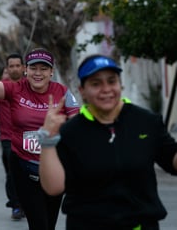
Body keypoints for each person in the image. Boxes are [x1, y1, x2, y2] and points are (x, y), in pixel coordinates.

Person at [38, 54, 177, 230]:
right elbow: (53, 188)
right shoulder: (70, 132)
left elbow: (172, 159)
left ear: (120, 84)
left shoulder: (146, 122)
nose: (106, 89)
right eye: (96, 84)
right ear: (82, 91)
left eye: (112, 81)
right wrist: (48, 140)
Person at [0, 30, 80, 230]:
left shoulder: (62, 92)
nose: (38, 73)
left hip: (53, 166)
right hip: (23, 166)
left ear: (51, 72)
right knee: (38, 224)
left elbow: (78, 124)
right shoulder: (15, 89)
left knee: (49, 223)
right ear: (26, 70)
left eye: (43, 69)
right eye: (33, 68)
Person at [0, 54, 26, 220]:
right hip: (8, 136)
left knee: (28, 172)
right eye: (11, 66)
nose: (15, 69)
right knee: (12, 172)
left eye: (18, 65)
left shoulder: (31, 86)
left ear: (23, 67)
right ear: (7, 69)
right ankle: (16, 206)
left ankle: (27, 203)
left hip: (29, 138)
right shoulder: (2, 87)